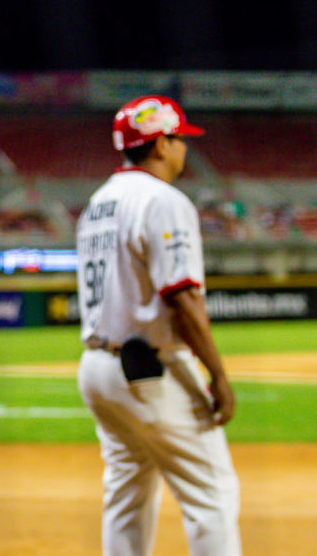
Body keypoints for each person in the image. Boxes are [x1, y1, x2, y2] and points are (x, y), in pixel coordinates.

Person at [75, 95, 241, 556]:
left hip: (98, 367)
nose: (184, 148)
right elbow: (183, 298)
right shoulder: (163, 200)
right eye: (178, 138)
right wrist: (219, 375)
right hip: (150, 367)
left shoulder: (98, 203)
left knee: (127, 496)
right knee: (213, 494)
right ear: (161, 145)